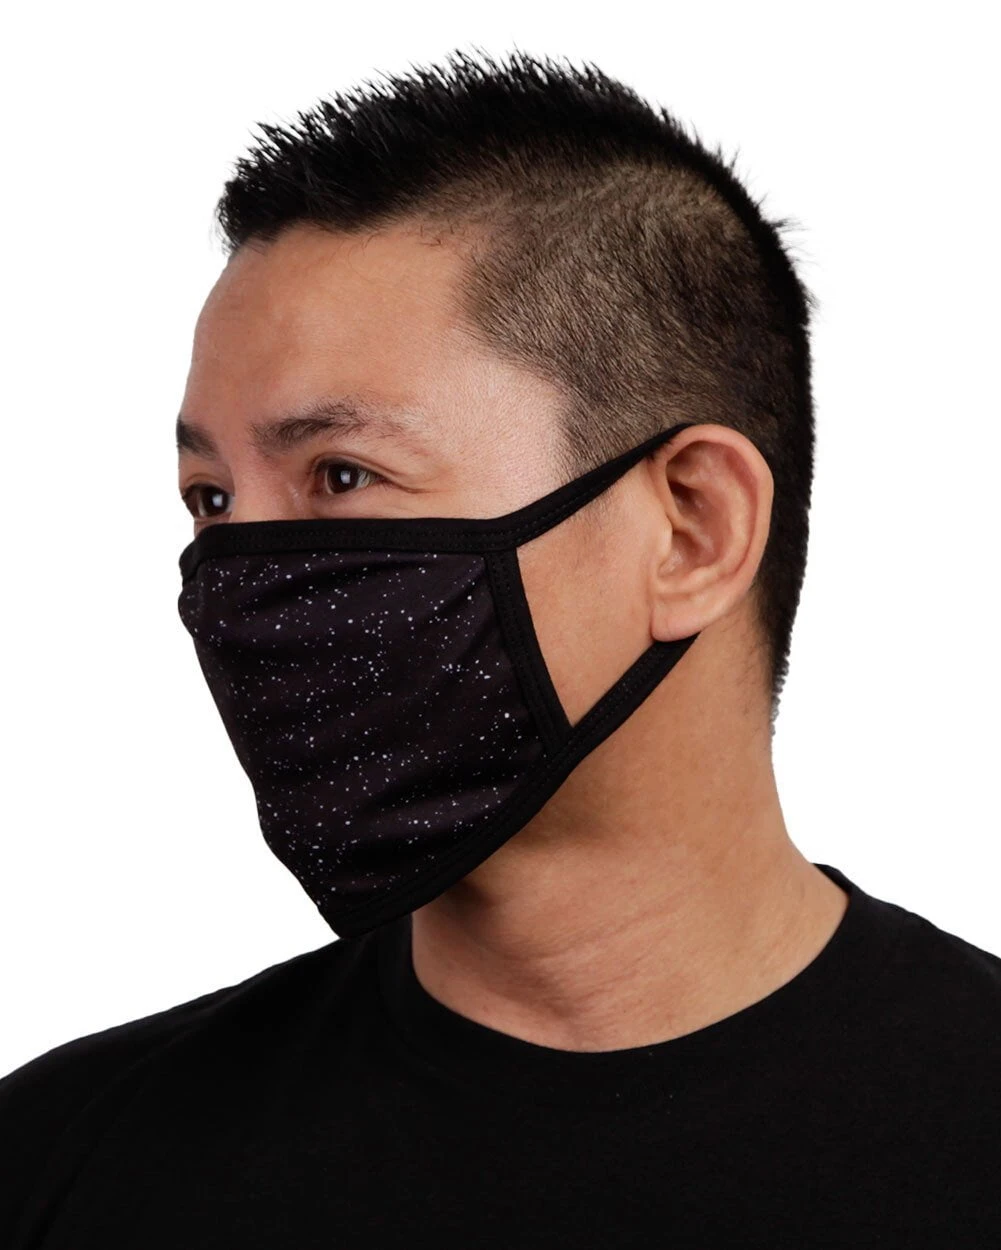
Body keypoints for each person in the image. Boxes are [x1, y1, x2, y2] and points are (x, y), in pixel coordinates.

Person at [2, 47, 998, 1248]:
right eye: (210, 500)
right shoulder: (57, 1163)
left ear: (691, 527)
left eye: (341, 475)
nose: (241, 583)